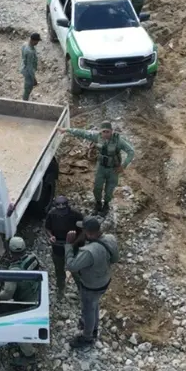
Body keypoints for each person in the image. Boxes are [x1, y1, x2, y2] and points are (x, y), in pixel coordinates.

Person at [65, 216, 119, 349]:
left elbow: (71, 266)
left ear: (88, 233)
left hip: (91, 285)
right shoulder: (110, 239)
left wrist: (68, 245)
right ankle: (93, 327)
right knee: (94, 304)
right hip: (104, 281)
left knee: (88, 309)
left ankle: (88, 337)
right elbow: (115, 258)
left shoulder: (89, 251)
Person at [57, 122, 135, 214]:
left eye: (108, 132)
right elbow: (82, 133)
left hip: (113, 170)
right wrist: (66, 130)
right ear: (100, 132)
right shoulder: (97, 137)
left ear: (112, 131)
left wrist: (123, 166)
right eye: (104, 131)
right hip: (101, 168)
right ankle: (98, 203)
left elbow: (131, 152)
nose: (106, 134)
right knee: (97, 188)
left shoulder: (118, 141)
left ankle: (106, 204)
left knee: (109, 189)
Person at [0, 236, 40, 366]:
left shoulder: (15, 271)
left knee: (21, 329)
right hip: (36, 294)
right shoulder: (33, 257)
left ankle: (29, 355)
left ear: (10, 252)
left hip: (25, 303)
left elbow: (6, 295)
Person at [44, 196, 83, 300]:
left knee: (76, 271)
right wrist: (51, 236)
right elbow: (47, 228)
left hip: (73, 247)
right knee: (59, 271)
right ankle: (60, 291)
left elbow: (83, 231)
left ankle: (82, 291)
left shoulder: (76, 215)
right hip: (57, 247)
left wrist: (75, 242)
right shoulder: (52, 214)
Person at [20, 33, 40, 101]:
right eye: (37, 41)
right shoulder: (30, 52)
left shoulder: (25, 44)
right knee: (28, 87)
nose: (37, 43)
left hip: (23, 67)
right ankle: (24, 101)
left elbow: (23, 56)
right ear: (33, 40)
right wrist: (34, 78)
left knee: (29, 84)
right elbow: (30, 67)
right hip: (28, 71)